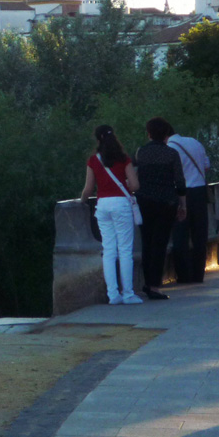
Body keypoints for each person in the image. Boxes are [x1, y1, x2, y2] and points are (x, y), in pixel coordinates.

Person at [80, 124, 142, 305]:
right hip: (121, 205)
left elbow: (88, 189)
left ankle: (113, 295)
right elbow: (135, 185)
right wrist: (125, 187)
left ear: (98, 139)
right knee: (125, 250)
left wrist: (82, 200)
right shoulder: (124, 158)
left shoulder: (93, 160)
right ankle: (128, 293)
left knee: (108, 250)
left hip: (103, 205)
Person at [134, 117, 187, 300]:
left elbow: (135, 176)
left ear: (148, 133)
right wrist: (183, 205)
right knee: (160, 243)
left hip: (144, 203)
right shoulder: (172, 154)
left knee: (147, 243)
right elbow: (179, 182)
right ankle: (155, 286)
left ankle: (147, 283)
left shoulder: (141, 152)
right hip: (166, 203)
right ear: (166, 134)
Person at [167, 125, 211, 283]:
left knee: (180, 235)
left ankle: (184, 275)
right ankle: (199, 274)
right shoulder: (194, 142)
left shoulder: (169, 148)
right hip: (199, 192)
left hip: (181, 193)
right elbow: (206, 165)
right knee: (200, 235)